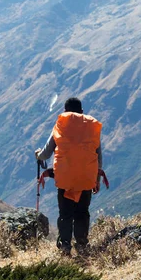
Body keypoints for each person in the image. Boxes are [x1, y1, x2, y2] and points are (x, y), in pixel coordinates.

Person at [35, 97, 102, 256]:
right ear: (82, 112)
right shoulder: (91, 128)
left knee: (65, 214)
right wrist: (96, 180)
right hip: (86, 178)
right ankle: (82, 244)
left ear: (65, 111)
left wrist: (37, 154)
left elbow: (45, 154)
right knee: (82, 212)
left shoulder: (61, 125)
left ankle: (65, 246)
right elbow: (98, 157)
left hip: (65, 179)